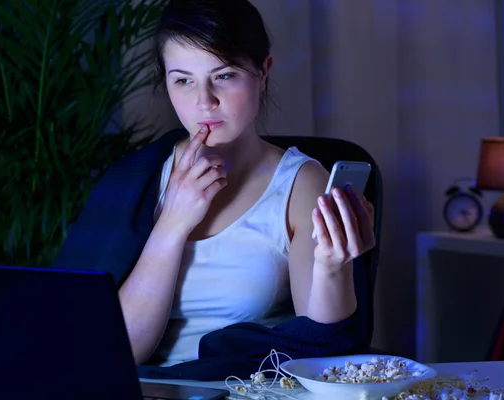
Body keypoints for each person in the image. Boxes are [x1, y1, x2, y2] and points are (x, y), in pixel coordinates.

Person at [55, 0, 376, 375]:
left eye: (224, 76)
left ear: (263, 72)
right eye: (183, 80)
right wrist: (172, 224)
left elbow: (319, 345)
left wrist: (332, 267)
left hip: (244, 387)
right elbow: (113, 351)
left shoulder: (301, 185)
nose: (204, 101)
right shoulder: (134, 180)